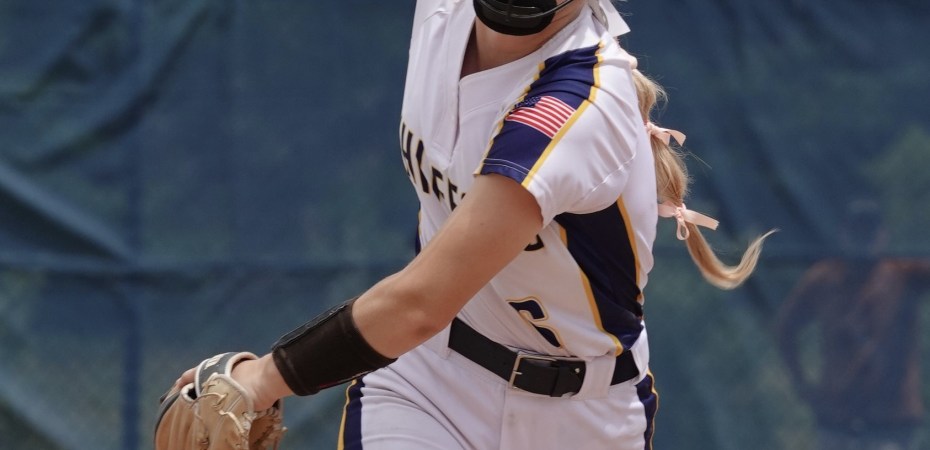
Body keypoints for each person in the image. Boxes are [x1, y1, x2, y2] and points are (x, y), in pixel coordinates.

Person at [173, 0, 771, 447]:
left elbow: (421, 302)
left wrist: (259, 380)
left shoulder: (581, 102)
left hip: (581, 417)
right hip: (430, 381)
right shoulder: (444, 11)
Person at [775, 198, 930, 450]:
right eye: (857, 231)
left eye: (870, 231)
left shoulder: (903, 273)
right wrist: (801, 383)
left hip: (891, 419)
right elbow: (785, 328)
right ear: (844, 234)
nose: (864, 239)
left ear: (883, 235)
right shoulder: (824, 278)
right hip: (838, 414)